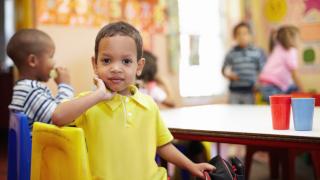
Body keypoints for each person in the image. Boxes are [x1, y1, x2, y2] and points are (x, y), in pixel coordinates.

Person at [52, 21, 214, 179]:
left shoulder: (149, 104)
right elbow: (58, 117)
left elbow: (162, 145)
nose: (116, 68)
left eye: (126, 61)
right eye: (106, 60)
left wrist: (191, 166)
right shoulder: (88, 103)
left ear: (139, 66)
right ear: (95, 64)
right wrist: (97, 95)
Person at [7, 29, 73, 130]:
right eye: (51, 56)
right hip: (39, 146)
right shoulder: (31, 91)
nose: (54, 62)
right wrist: (65, 86)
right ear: (33, 61)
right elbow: (60, 119)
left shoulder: (23, 88)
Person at [222, 22, 266, 104]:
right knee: (233, 113)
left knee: (249, 113)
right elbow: (224, 69)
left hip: (250, 91)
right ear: (234, 37)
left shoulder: (257, 52)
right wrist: (228, 74)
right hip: (234, 92)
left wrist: (258, 83)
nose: (242, 36)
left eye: (245, 33)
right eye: (238, 34)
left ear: (250, 36)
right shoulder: (231, 53)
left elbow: (262, 70)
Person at [259, 25, 303, 102]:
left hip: (266, 85)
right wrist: (304, 90)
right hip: (273, 86)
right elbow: (295, 74)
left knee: (293, 88)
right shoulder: (291, 50)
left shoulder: (278, 47)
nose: (300, 41)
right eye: (299, 38)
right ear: (291, 39)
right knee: (281, 106)